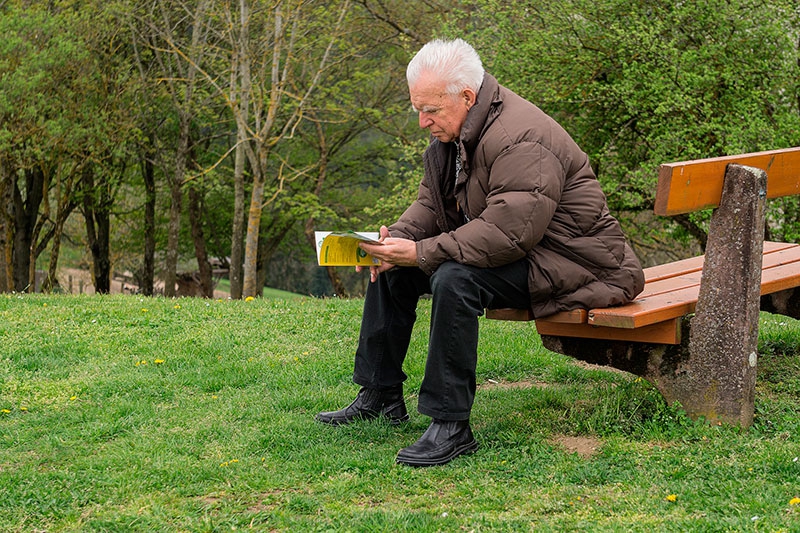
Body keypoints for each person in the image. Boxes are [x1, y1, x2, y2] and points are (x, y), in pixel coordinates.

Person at [315, 38, 644, 467]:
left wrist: (421, 252)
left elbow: (509, 234)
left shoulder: (522, 138)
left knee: (454, 277)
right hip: (530, 253)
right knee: (395, 266)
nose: (421, 121)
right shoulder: (457, 133)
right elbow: (432, 205)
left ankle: (450, 425)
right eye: (418, 108)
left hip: (580, 265)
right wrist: (395, 239)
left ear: (467, 97)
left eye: (430, 110)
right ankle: (380, 393)